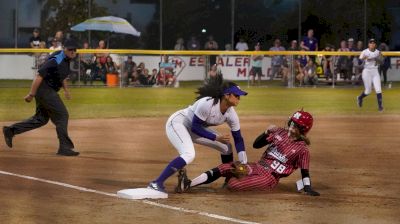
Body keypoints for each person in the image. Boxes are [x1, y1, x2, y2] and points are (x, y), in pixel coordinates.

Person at [175, 110, 319, 196]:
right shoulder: (279, 132)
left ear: (303, 130)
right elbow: (256, 145)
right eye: (292, 123)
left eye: (296, 126)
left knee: (234, 184)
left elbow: (305, 172)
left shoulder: (302, 149)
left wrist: (307, 187)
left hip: (269, 178)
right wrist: (266, 132)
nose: (291, 127)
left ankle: (230, 184)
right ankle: (188, 184)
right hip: (256, 166)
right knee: (226, 167)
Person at [148, 75, 249, 195]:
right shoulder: (207, 104)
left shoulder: (231, 114)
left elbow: (238, 138)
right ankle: (156, 183)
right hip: (179, 124)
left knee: (227, 147)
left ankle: (228, 179)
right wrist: (216, 137)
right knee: (189, 154)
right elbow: (195, 127)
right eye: (236, 95)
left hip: (196, 129)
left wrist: (243, 162)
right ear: (227, 95)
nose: (239, 98)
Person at [2, 39, 80, 156]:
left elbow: (62, 76)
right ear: (64, 48)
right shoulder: (56, 60)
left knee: (41, 119)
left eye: (75, 49)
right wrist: (31, 94)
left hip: (47, 91)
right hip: (45, 90)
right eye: (70, 49)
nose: (73, 51)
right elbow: (39, 76)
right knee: (62, 115)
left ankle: (11, 130)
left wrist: (66, 90)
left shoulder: (66, 59)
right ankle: (64, 147)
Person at [357, 39, 384, 111]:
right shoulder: (364, 52)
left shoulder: (378, 52)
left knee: (378, 89)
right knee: (368, 91)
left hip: (375, 71)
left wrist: (376, 59)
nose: (372, 44)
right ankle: (360, 97)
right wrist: (365, 58)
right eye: (370, 43)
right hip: (366, 71)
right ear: (368, 44)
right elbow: (359, 62)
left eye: (373, 43)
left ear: (375, 45)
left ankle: (380, 106)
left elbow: (382, 62)